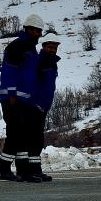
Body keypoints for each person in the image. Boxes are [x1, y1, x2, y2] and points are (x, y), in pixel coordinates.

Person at [0, 14, 44, 182]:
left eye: (39, 31)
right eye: (34, 30)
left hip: (24, 100)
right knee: (15, 134)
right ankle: (3, 169)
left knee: (23, 135)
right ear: (27, 29)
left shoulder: (30, 49)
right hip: (13, 99)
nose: (37, 33)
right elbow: (10, 71)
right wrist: (11, 94)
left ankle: (23, 171)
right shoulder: (17, 46)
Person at [33, 40, 61, 182]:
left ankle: (35, 170)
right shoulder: (39, 61)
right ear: (43, 47)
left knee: (38, 139)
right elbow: (32, 82)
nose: (52, 50)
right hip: (35, 105)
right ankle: (31, 171)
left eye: (55, 48)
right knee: (34, 139)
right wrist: (35, 102)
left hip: (44, 105)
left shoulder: (52, 62)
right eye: (50, 47)